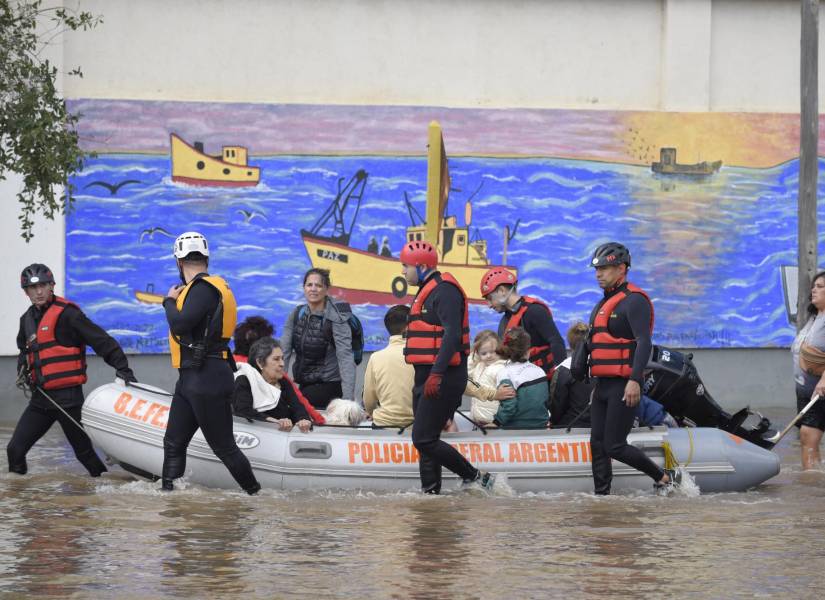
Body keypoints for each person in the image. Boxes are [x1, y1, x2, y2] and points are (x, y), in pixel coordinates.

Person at [7, 263, 137, 477]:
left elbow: (102, 341)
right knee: (14, 450)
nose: (38, 292)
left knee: (84, 454)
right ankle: (23, 500)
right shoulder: (26, 320)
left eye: (43, 286)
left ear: (52, 286)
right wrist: (23, 367)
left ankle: (103, 494)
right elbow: (25, 350)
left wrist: (123, 369)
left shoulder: (69, 315)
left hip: (68, 400)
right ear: (26, 292)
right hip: (41, 401)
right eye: (33, 288)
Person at [163, 231, 260, 494]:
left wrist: (168, 301)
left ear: (178, 262)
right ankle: (170, 499)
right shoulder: (208, 288)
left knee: (224, 447)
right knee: (173, 442)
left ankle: (256, 496)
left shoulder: (203, 289)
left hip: (206, 376)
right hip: (191, 377)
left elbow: (181, 324)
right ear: (206, 258)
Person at [576, 242, 676, 495]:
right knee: (597, 444)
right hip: (603, 386)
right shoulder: (604, 303)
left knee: (614, 445)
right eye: (596, 269)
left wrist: (634, 380)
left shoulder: (634, 301)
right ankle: (602, 497)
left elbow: (644, 341)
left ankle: (664, 476)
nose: (599, 274)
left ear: (621, 269)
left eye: (605, 268)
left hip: (624, 384)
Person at [401, 240, 494, 493]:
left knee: (422, 438)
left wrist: (437, 374)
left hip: (443, 377)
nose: (402, 271)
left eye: (405, 266)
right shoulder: (426, 291)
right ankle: (430, 494)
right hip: (426, 376)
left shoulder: (445, 292)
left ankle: (475, 476)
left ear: (420, 266)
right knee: (426, 441)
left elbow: (452, 335)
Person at [281, 268, 356, 409]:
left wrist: (347, 402)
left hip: (330, 385)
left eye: (319, 285)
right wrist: (277, 387)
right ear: (304, 288)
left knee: (298, 405)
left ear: (326, 289)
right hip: (305, 384)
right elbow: (283, 353)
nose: (313, 289)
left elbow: (345, 357)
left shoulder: (336, 317)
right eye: (309, 285)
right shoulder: (297, 313)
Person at [480, 267, 566, 379]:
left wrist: (561, 378)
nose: (489, 305)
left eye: (490, 298)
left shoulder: (535, 311)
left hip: (545, 381)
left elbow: (556, 342)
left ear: (502, 291)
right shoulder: (504, 322)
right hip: (519, 384)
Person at [232, 337, 315, 432]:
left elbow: (297, 407)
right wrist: (275, 422)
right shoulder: (244, 380)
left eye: (282, 359)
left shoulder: (283, 382)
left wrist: (303, 420)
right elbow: (244, 412)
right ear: (260, 362)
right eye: (276, 359)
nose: (282, 364)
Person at [791, 270, 825, 470]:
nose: (814, 290)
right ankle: (817, 476)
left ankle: (810, 484)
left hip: (819, 390)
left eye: (820, 287)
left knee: (807, 435)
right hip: (805, 390)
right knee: (809, 437)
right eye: (814, 286)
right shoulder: (814, 318)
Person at [362, 305, 415, 428]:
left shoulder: (376, 358)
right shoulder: (423, 356)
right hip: (417, 426)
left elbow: (368, 399)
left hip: (383, 424)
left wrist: (371, 412)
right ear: (409, 328)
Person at [493, 327, 550, 428]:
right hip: (541, 425)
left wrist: (496, 422)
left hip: (515, 428)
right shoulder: (540, 371)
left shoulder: (505, 373)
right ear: (528, 350)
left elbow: (509, 407)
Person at [548, 322, 592, 428]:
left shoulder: (563, 369)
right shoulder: (602, 366)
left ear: (570, 343)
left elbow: (557, 405)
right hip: (600, 424)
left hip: (571, 426)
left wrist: (553, 422)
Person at [465, 330, 513, 425]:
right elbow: (467, 370)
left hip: (492, 421)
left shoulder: (501, 368)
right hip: (478, 420)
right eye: (484, 353)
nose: (489, 356)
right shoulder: (479, 366)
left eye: (493, 352)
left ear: (499, 349)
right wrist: (475, 355)